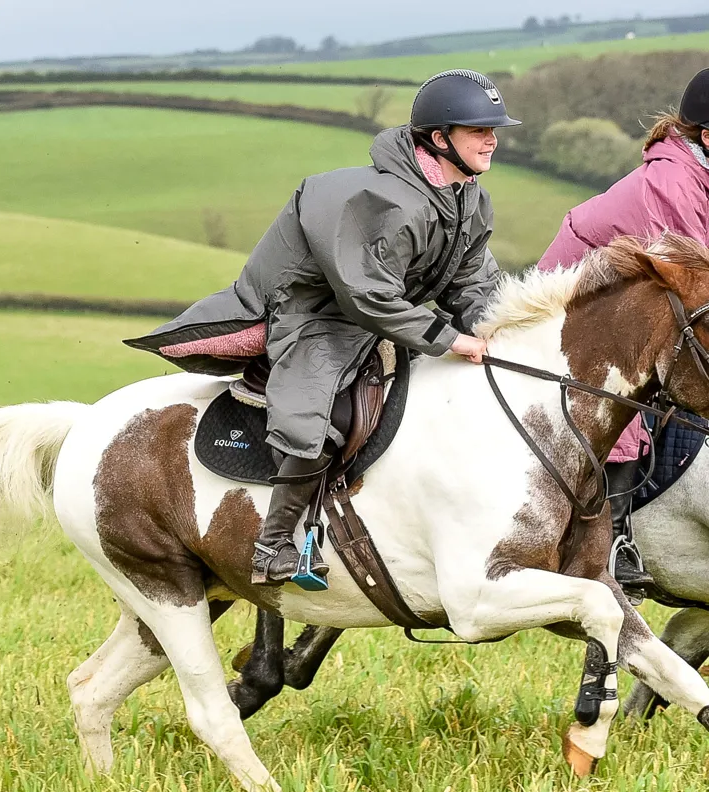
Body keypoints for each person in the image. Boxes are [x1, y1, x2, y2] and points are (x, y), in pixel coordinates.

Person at [126, 70, 521, 588]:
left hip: (385, 315)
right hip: (315, 314)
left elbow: (472, 281)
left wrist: (502, 328)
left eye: (494, 129)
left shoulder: (469, 199)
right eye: (478, 130)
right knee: (316, 410)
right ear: (440, 138)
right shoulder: (382, 202)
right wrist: (451, 339)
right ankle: (274, 544)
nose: (492, 139)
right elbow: (368, 297)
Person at [537, 67, 709, 594]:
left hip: (633, 308)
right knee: (628, 402)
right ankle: (614, 543)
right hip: (579, 319)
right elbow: (696, 282)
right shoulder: (673, 184)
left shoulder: (699, 173)